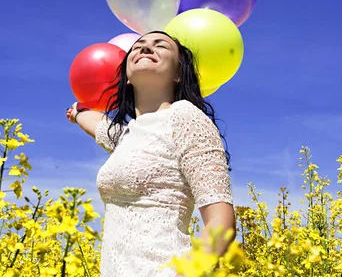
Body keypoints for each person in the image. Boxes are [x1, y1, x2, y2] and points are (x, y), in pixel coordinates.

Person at [66, 31, 235, 276]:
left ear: (178, 74)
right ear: (126, 78)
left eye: (161, 46)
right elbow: (98, 125)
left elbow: (221, 221)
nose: (146, 48)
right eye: (138, 46)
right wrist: (77, 112)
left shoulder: (185, 117)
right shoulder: (126, 136)